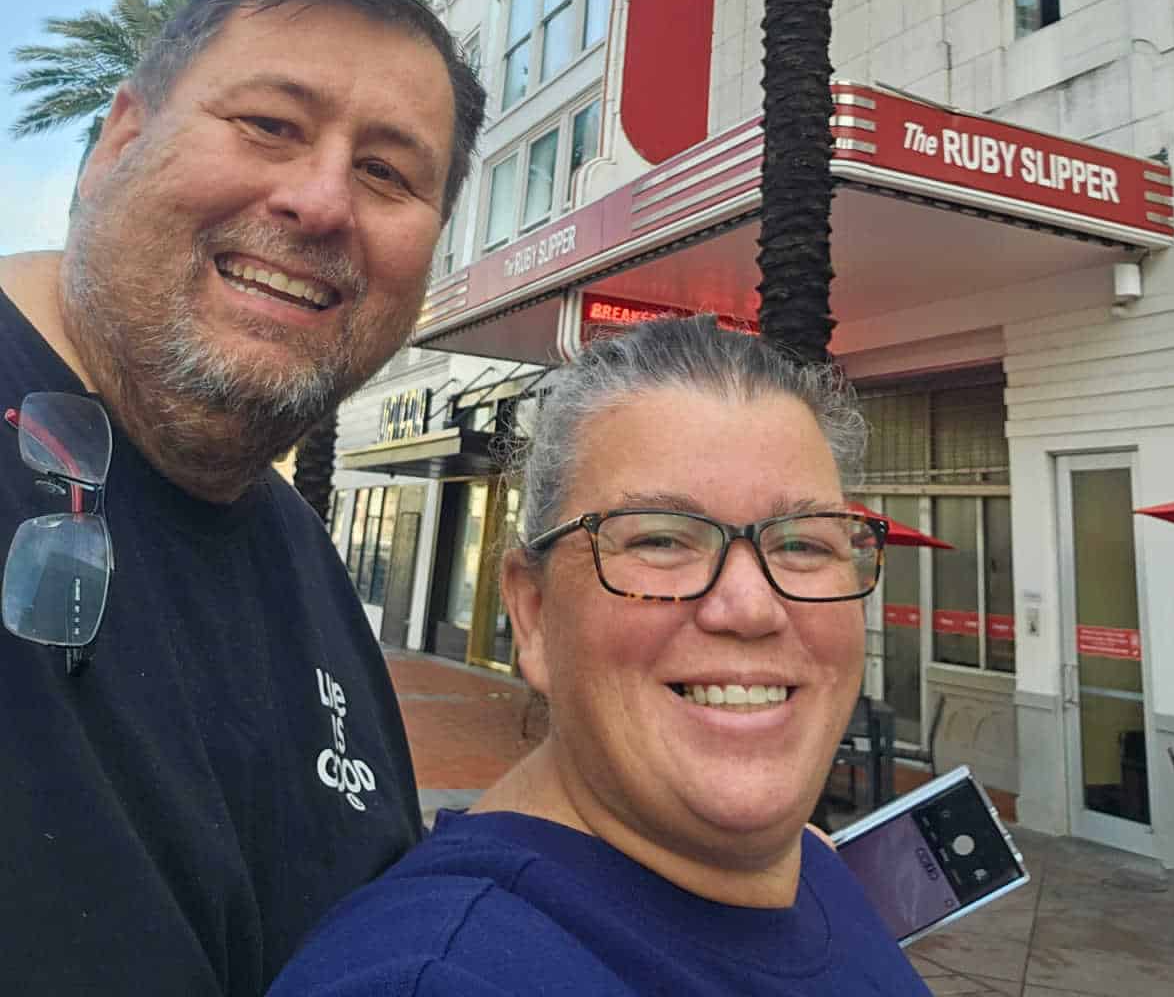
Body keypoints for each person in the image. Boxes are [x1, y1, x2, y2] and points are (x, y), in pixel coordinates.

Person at [0, 0, 485, 997]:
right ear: (120, 140)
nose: (321, 201)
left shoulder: (296, 549)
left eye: (387, 173)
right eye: (269, 124)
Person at [268, 316, 933, 995]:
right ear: (532, 613)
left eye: (804, 544)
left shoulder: (819, 877)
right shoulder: (434, 977)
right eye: (660, 541)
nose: (751, 607)